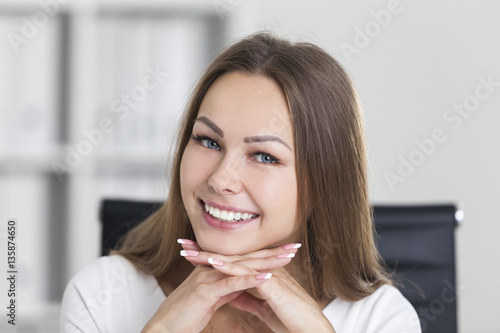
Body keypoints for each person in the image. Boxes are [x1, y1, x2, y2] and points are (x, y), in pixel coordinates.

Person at [60, 32, 421, 333]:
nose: (220, 179)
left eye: (264, 156)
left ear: (323, 186)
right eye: (208, 141)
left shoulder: (382, 319)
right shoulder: (101, 296)